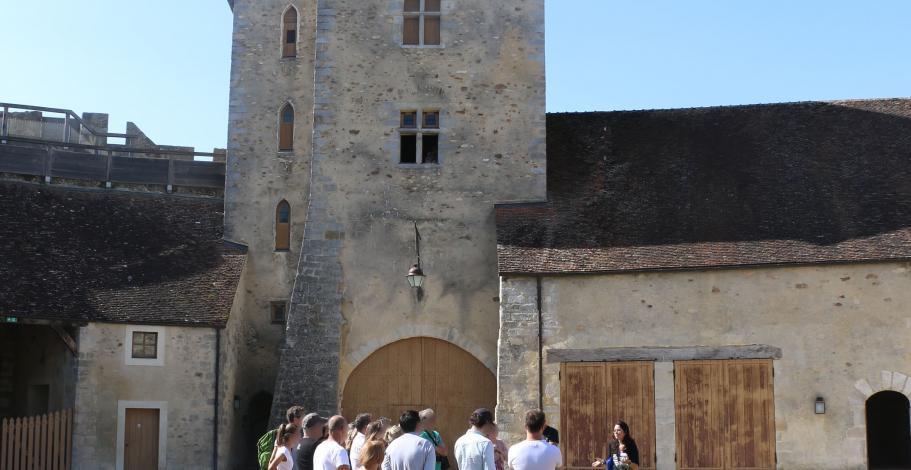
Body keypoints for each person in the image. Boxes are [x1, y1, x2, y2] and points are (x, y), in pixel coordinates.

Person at [259, 406, 306, 470]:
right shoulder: (282, 437)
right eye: (303, 417)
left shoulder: (299, 435)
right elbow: (271, 462)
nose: (305, 420)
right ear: (295, 419)